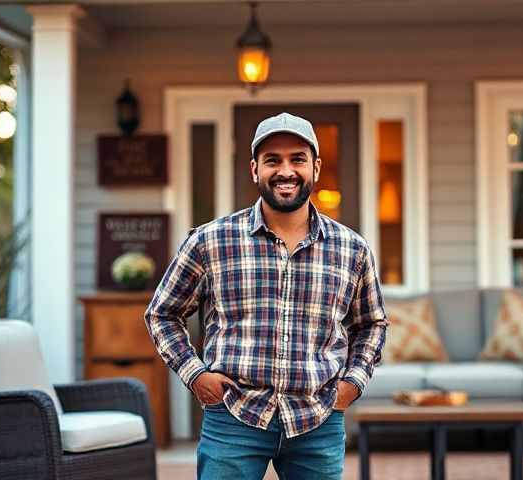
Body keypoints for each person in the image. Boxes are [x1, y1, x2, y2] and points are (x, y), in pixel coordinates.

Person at [144, 112, 388, 479]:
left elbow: (371, 324)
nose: (285, 171)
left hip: (316, 421)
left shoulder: (352, 249)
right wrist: (194, 374)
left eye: (297, 159)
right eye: (273, 160)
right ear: (254, 170)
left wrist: (353, 383)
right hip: (234, 419)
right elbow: (162, 313)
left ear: (316, 168)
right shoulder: (211, 241)